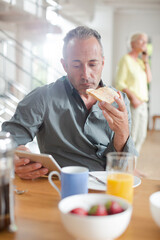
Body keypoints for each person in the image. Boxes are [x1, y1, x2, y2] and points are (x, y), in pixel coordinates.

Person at [2, 26, 136, 180]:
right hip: (59, 185)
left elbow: (125, 169)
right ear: (64, 65)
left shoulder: (120, 101)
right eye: (76, 65)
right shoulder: (42, 97)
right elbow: (7, 141)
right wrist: (14, 158)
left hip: (108, 185)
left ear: (102, 63)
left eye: (92, 64)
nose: (85, 75)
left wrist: (122, 132)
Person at [115, 33, 152, 154]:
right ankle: (128, 168)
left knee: (142, 136)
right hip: (133, 104)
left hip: (143, 104)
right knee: (132, 137)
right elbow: (120, 83)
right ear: (132, 44)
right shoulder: (125, 60)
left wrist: (146, 61)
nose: (144, 44)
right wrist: (133, 98)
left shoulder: (141, 62)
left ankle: (133, 166)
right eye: (141, 41)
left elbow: (149, 79)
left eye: (145, 42)